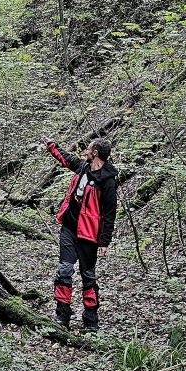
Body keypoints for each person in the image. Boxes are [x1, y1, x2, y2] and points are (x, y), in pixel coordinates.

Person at [44, 136, 118, 330]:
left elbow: (110, 214)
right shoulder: (83, 167)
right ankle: (62, 316)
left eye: (89, 149)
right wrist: (52, 146)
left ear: (95, 153)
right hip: (69, 228)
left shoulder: (108, 182)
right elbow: (66, 158)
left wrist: (104, 242)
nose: (86, 151)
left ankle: (91, 321)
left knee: (88, 276)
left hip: (89, 235)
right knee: (64, 270)